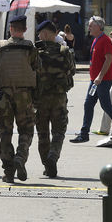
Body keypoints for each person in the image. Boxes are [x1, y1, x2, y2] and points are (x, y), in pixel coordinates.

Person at [0, 15, 41, 183]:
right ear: (25, 29)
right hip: (24, 95)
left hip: (4, 95)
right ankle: (20, 157)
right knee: (26, 130)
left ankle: (8, 171)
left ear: (10, 29)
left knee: (5, 133)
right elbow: (37, 68)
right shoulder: (30, 47)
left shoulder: (1, 46)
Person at [70, 16, 112, 143]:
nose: (89, 28)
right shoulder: (96, 39)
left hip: (102, 80)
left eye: (91, 25)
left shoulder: (105, 40)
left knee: (106, 105)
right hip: (95, 80)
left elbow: (108, 59)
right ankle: (84, 133)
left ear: (98, 27)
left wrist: (100, 76)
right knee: (88, 104)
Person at [34, 20, 75, 177]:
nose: (39, 36)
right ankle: (53, 157)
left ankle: (47, 164)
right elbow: (72, 71)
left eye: (40, 33)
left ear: (45, 33)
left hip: (40, 98)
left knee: (42, 133)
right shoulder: (64, 51)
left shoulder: (36, 52)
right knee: (59, 131)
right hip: (59, 98)